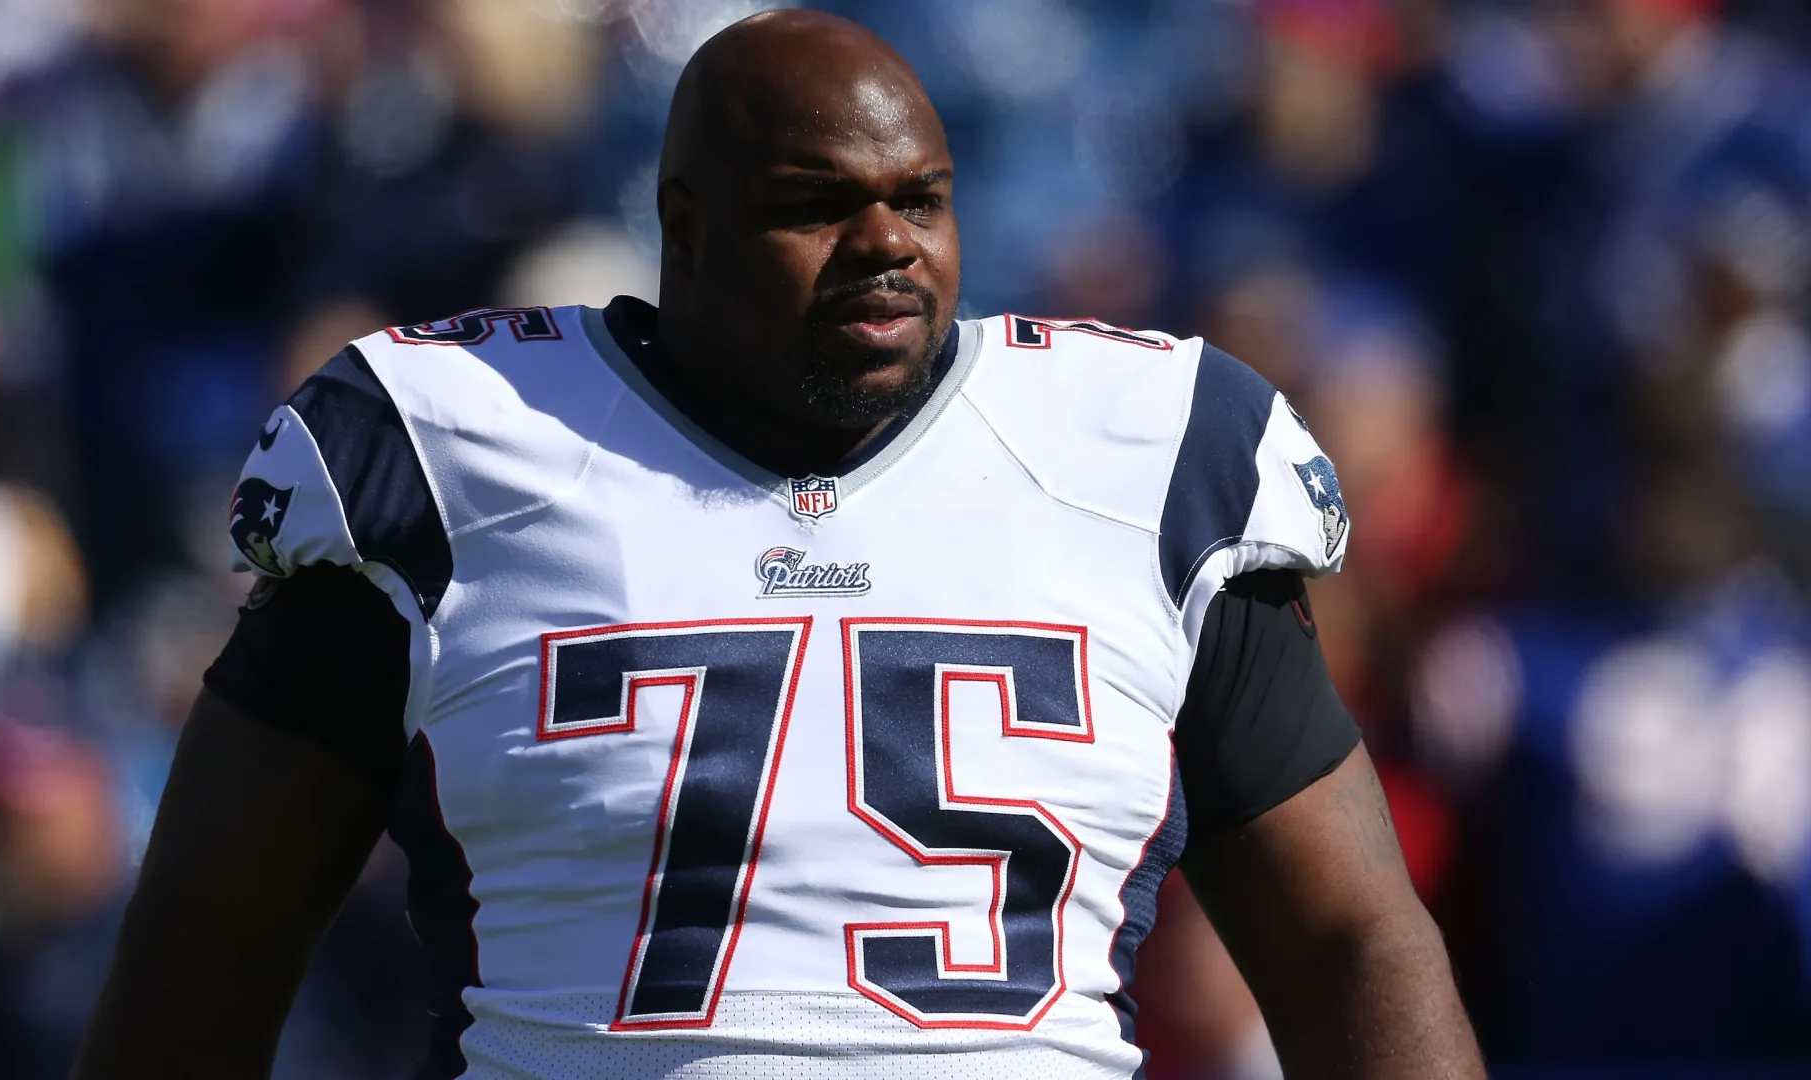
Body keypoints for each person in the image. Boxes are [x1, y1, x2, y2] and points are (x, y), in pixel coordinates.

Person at [71, 11, 1484, 1079]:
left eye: (920, 199)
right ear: (681, 228)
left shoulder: (1146, 456)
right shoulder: (451, 448)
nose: (886, 243)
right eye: (817, 204)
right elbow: (208, 938)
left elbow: (1349, 936)